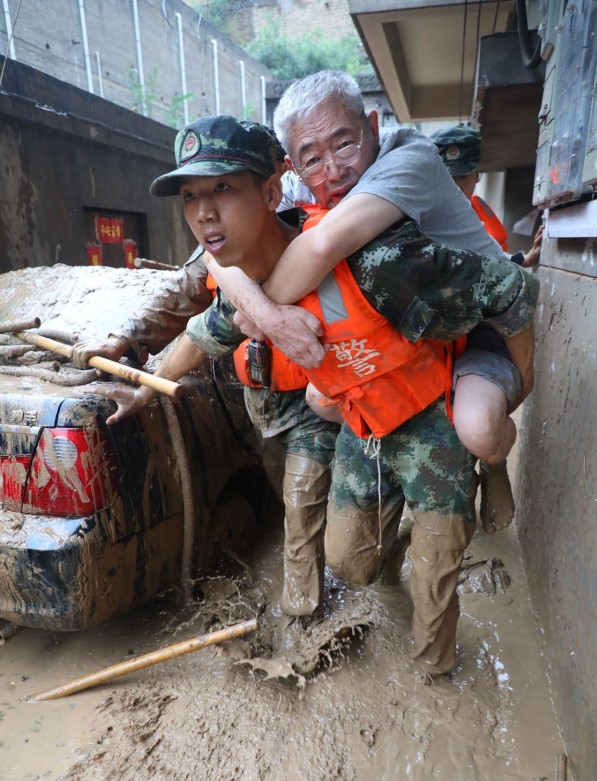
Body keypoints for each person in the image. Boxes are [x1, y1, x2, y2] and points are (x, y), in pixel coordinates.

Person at [94, 114, 537, 678]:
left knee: (435, 575)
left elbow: (510, 286)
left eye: (222, 190)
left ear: (273, 191)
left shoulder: (376, 259)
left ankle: (437, 675)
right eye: (190, 197)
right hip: (363, 426)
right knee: (350, 561)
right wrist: (143, 388)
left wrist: (520, 382)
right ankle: (409, 534)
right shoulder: (243, 291)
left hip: (435, 419)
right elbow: (199, 335)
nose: (204, 213)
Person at [204, 71, 531, 535]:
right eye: (312, 158)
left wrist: (254, 315)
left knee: (476, 427)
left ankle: (493, 460)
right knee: (322, 398)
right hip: (407, 325)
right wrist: (267, 315)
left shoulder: (408, 160)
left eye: (344, 145)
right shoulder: (308, 179)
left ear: (373, 128)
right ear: (292, 167)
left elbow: (319, 248)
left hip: (476, 319)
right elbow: (212, 252)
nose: (332, 171)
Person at [431, 124, 543, 268]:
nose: (455, 186)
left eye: (462, 177)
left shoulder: (468, 218)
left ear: (477, 175)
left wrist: (525, 259)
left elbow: (488, 250)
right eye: (447, 178)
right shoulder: (418, 213)